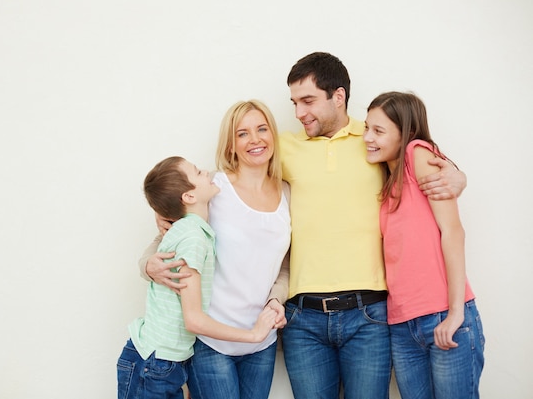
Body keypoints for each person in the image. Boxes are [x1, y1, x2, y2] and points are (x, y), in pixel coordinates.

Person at [278, 52, 468, 399]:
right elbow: (232, 187)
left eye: (307, 101)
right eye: (294, 103)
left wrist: (457, 175)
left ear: (338, 96)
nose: (298, 113)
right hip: (302, 317)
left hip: (369, 315)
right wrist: (163, 225)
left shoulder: (373, 143)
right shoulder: (283, 147)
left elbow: (418, 157)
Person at [138, 100, 292, 399]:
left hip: (262, 342)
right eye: (243, 133)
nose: (255, 139)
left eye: (262, 129)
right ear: (231, 144)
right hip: (211, 342)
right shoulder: (213, 189)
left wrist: (276, 300)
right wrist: (147, 266)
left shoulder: (287, 191)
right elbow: (163, 241)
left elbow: (285, 265)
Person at [117, 156, 277, 399]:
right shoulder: (193, 238)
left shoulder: (191, 230)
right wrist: (253, 335)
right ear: (189, 197)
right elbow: (194, 320)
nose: (207, 173)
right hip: (153, 363)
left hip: (166, 362)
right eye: (199, 172)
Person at [363, 91, 484, 399]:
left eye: (378, 130)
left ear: (406, 133)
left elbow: (453, 232)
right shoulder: (388, 180)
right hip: (402, 325)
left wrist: (455, 313)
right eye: (366, 128)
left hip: (443, 314)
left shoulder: (418, 153)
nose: (367, 137)